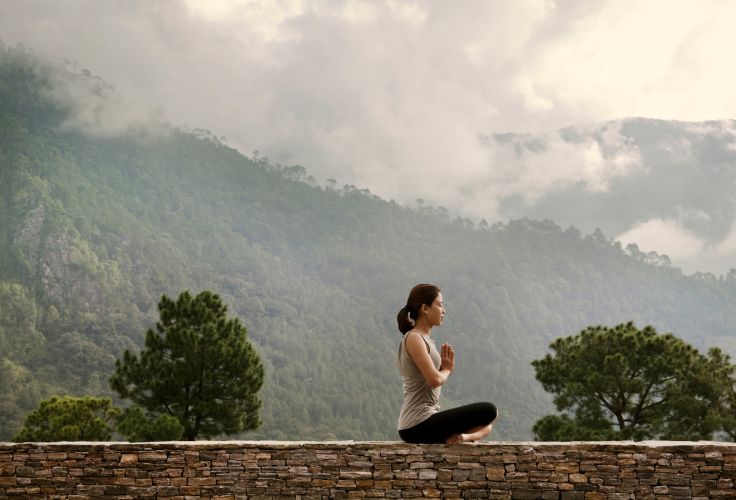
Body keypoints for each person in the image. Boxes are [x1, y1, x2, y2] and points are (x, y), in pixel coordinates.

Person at [396, 283, 497, 444]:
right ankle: (463, 437)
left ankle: (462, 437)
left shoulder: (426, 340)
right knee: (489, 411)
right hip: (416, 424)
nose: (444, 310)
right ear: (425, 308)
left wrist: (443, 369)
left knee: (487, 425)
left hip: (427, 419)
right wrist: (447, 370)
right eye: (440, 305)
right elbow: (434, 380)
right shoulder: (414, 337)